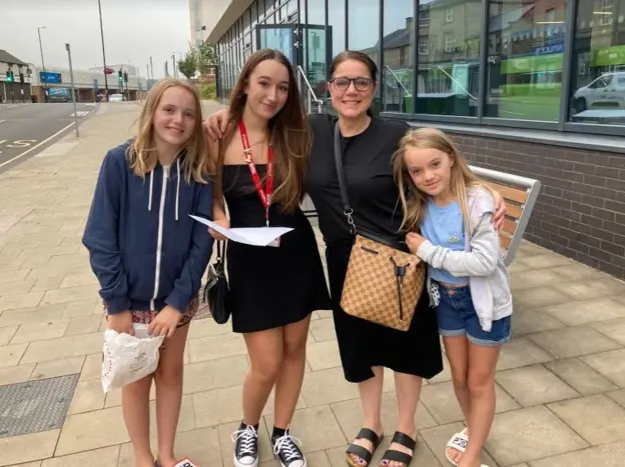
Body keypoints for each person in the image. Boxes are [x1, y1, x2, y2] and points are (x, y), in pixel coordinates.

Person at [204, 50, 506, 467]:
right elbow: (256, 119)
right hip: (344, 258)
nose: (351, 91)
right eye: (342, 82)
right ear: (328, 88)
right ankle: (370, 424)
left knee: (403, 347)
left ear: (374, 88)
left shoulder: (396, 134)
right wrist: (222, 114)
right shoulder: (309, 131)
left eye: (361, 82)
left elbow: (434, 164)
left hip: (397, 256)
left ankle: (406, 428)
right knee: (361, 349)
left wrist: (484, 188)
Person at [205, 48, 330, 467]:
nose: (273, 95)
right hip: (249, 261)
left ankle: (282, 433)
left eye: (282, 87)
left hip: (295, 254)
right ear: (244, 83)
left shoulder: (297, 134)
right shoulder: (218, 135)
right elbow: (214, 199)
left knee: (295, 352)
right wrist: (219, 220)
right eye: (264, 83)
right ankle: (247, 427)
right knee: (267, 363)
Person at [82, 78, 214, 467]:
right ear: (152, 112)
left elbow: (200, 242)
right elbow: (100, 237)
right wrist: (117, 303)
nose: (178, 120)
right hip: (130, 301)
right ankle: (143, 457)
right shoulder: (119, 163)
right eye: (169, 110)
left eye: (189, 113)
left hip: (176, 301)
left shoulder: (199, 171)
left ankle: (167, 454)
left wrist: (178, 302)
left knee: (171, 375)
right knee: (136, 379)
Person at [395, 128, 512, 467]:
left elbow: (484, 262)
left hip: (483, 303)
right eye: (416, 171)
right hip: (444, 301)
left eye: (435, 164)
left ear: (451, 159)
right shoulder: (418, 200)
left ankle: (472, 457)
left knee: (479, 380)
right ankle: (473, 428)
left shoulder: (476, 201)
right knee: (459, 377)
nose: (427, 176)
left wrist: (428, 251)